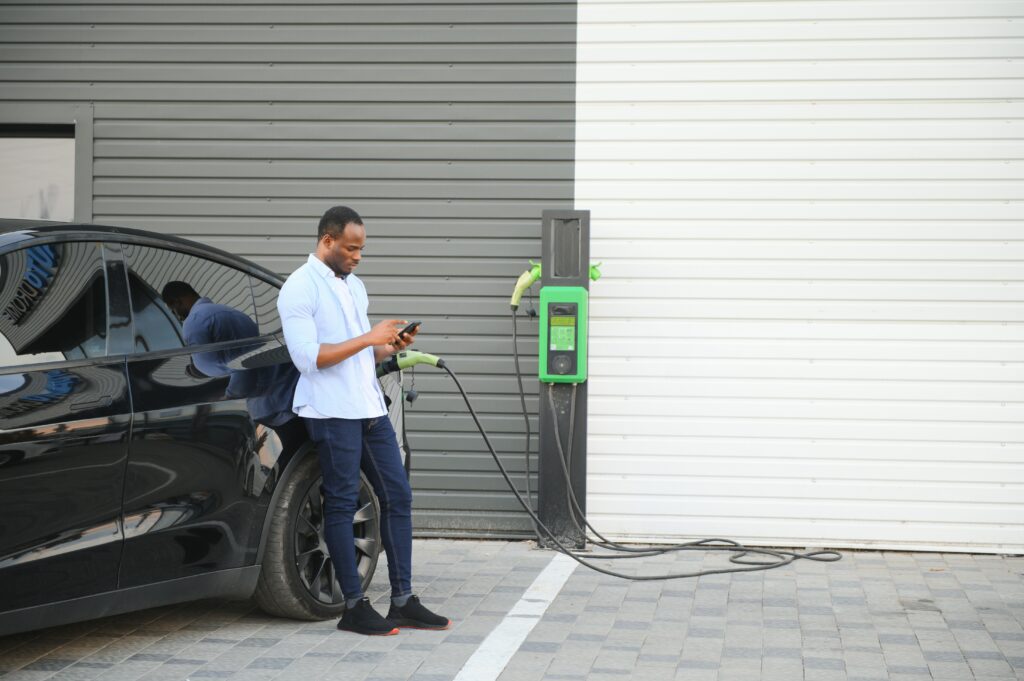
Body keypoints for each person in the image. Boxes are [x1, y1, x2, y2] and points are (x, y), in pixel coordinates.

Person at [277, 205, 450, 636]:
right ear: (327, 241)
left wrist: (387, 345)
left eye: (362, 249)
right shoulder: (298, 289)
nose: (357, 256)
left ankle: (403, 600)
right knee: (341, 502)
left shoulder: (354, 286)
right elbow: (308, 358)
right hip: (332, 411)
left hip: (370, 407)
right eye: (351, 248)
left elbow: (364, 352)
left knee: (399, 495)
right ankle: (353, 607)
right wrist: (367, 337)